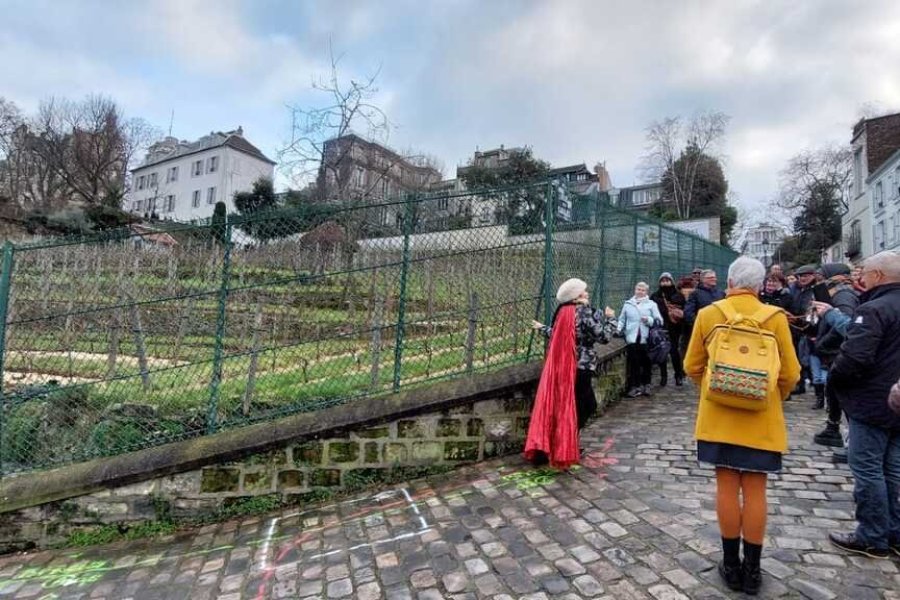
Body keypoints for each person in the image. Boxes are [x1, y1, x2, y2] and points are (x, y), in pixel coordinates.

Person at [684, 256, 800, 595]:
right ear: (760, 285)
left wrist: (716, 390)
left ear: (729, 282)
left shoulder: (709, 314)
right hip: (761, 419)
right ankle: (753, 571)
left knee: (725, 487)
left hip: (719, 417)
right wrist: (766, 396)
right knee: (755, 491)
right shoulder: (775, 318)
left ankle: (730, 566)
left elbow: (692, 365)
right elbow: (791, 373)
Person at [826, 251, 900, 560]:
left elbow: (855, 357)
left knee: (868, 469)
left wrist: (835, 378)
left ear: (879, 276)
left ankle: (871, 536)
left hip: (871, 402)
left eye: (865, 273)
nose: (861, 278)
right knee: (892, 468)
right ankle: (893, 531)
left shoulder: (873, 309)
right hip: (896, 402)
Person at [525, 278, 616, 469]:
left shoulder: (563, 312)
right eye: (584, 292)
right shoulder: (584, 312)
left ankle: (557, 444)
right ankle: (565, 443)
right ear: (576, 296)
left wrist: (542, 328)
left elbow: (557, 334)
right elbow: (604, 337)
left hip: (565, 366)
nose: (587, 294)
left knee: (564, 406)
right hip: (581, 366)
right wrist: (611, 318)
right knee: (586, 406)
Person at [810, 264, 860, 444]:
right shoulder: (838, 293)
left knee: (840, 392)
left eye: (822, 277)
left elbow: (846, 325)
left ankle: (847, 436)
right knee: (832, 389)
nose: (819, 281)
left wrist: (823, 343)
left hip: (839, 353)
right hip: (836, 352)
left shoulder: (843, 295)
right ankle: (833, 427)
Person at [617, 281, 663, 398]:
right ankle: (635, 386)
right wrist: (618, 330)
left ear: (646, 292)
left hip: (646, 338)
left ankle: (646, 384)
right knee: (634, 363)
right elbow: (622, 319)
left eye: (643, 290)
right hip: (632, 337)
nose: (640, 292)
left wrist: (648, 320)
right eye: (638, 289)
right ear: (635, 290)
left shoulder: (651, 304)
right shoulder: (628, 304)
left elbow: (659, 321)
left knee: (646, 362)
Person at [650, 272, 686, 387]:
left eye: (667, 280)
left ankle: (678, 375)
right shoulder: (655, 296)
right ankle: (663, 376)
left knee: (674, 351)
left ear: (671, 281)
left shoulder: (678, 295)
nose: (665, 282)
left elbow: (683, 310)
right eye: (663, 280)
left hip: (674, 327)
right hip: (661, 327)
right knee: (662, 352)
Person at [788, 264, 817, 395]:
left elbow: (812, 311)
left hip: (809, 327)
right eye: (800, 276)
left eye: (806, 276)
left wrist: (800, 319)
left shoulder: (815, 290)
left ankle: (815, 384)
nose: (802, 278)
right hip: (796, 327)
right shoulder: (795, 289)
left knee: (809, 358)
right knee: (798, 357)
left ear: (812, 276)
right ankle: (800, 383)